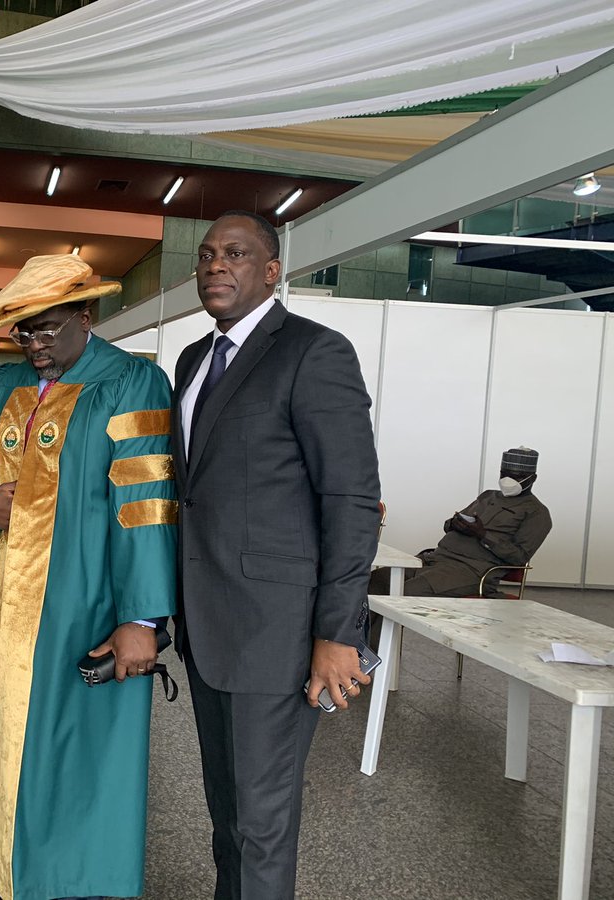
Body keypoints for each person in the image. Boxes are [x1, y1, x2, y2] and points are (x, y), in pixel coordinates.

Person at [0, 255, 177, 900]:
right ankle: (1, 871)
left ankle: (71, 883)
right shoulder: (2, 386)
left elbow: (146, 506)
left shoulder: (133, 382)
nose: (34, 345)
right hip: (4, 602)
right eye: (23, 332)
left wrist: (141, 620)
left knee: (78, 749)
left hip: (86, 597)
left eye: (47, 328)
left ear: (86, 316)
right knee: (3, 735)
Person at [173, 211, 380, 900]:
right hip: (206, 626)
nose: (214, 265)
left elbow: (349, 501)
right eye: (205, 254)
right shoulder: (194, 361)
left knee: (262, 824)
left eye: (235, 253)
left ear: (271, 271)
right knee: (226, 816)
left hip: (277, 632)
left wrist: (337, 633)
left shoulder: (315, 352)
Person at [404, 447, 551, 597]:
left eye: (517, 476)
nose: (508, 480)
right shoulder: (487, 496)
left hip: (469, 571)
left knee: (403, 593)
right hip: (436, 558)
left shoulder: (536, 513)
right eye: (504, 474)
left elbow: (519, 558)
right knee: (381, 581)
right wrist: (454, 524)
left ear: (533, 478)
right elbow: (448, 525)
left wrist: (482, 535)